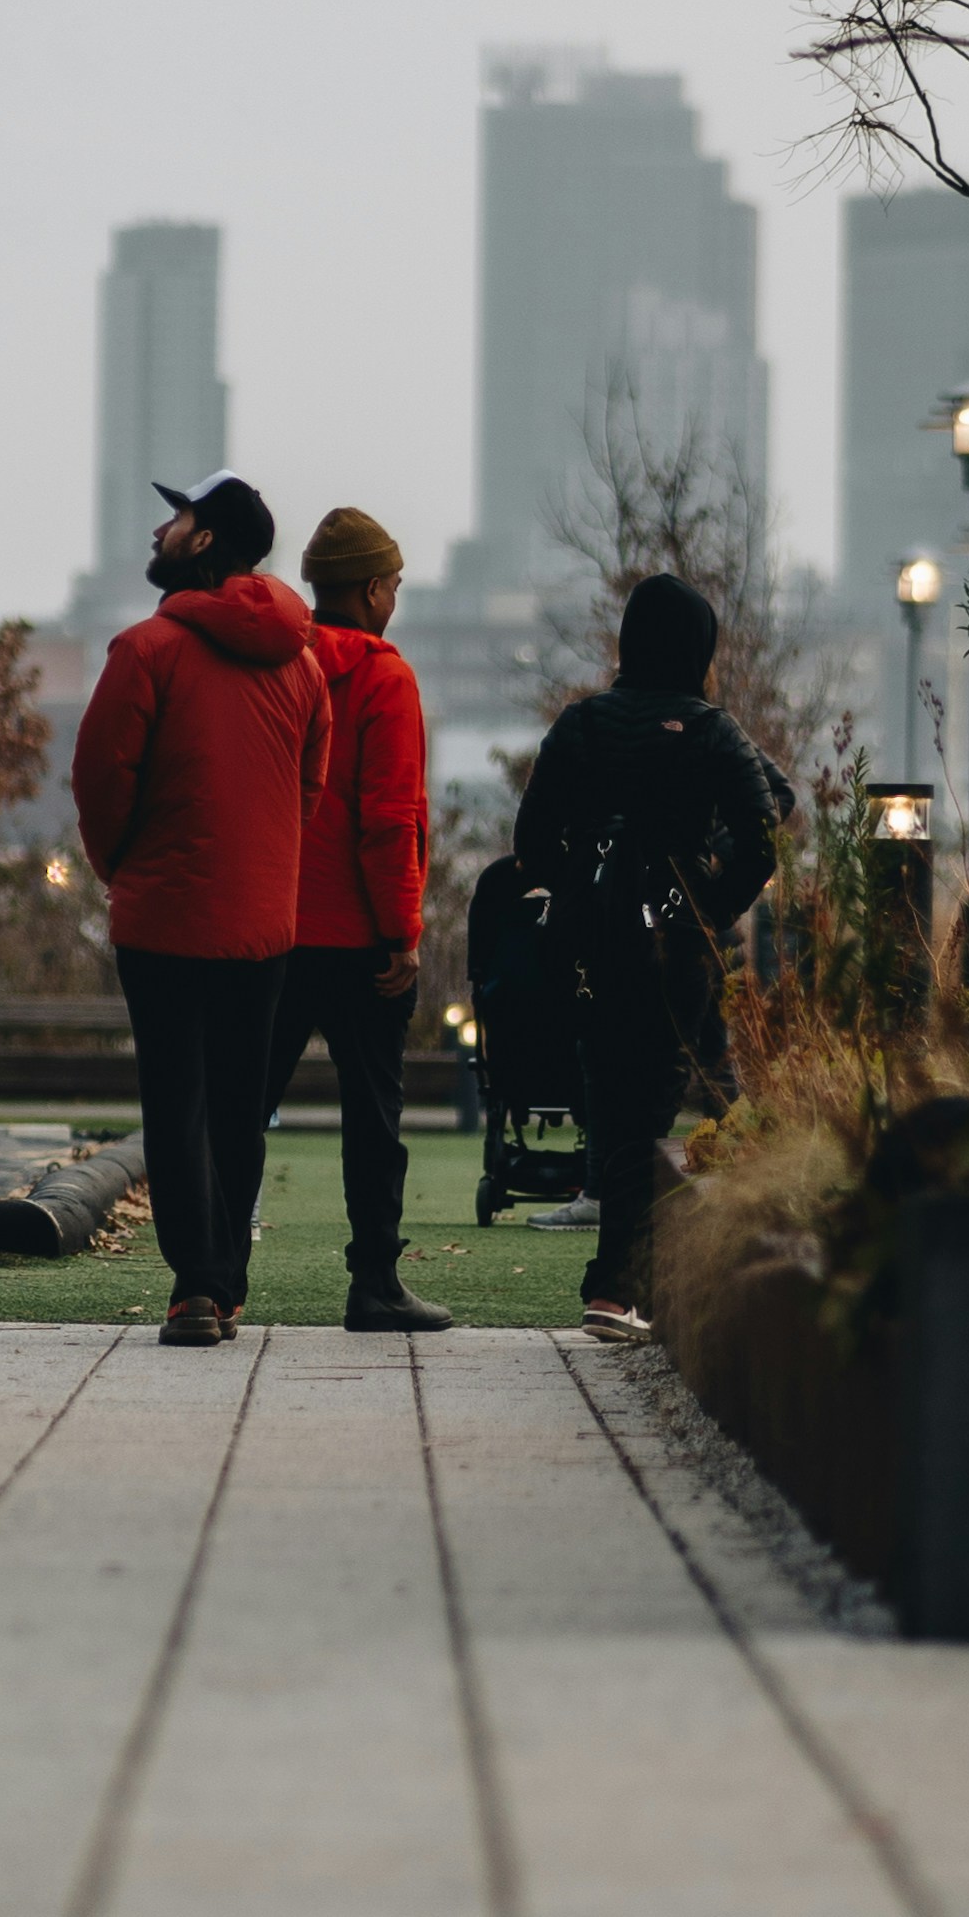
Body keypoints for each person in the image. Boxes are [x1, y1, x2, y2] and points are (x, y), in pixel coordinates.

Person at [71, 471, 331, 1349]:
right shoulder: (303, 665)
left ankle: (195, 1289)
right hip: (262, 922)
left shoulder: (145, 650)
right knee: (237, 1105)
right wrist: (266, 866)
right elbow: (308, 790)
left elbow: (99, 778)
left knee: (175, 1102)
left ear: (207, 539)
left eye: (176, 518)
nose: (160, 531)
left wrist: (120, 867)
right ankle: (223, 1280)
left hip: (165, 918)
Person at [513, 575, 789, 1339]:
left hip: (590, 940)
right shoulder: (710, 730)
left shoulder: (581, 724)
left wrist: (580, 886)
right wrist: (707, 907)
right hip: (674, 941)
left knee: (612, 1098)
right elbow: (763, 833)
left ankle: (615, 1285)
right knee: (654, 1102)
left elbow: (531, 839)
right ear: (698, 647)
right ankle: (617, 1290)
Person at [263, 505, 450, 1334]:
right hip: (360, 939)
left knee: (241, 1108)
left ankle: (211, 1281)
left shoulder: (276, 664)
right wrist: (402, 932)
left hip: (271, 926)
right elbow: (388, 819)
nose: (395, 598)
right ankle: (374, 1283)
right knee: (372, 1118)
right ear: (372, 589)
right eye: (395, 584)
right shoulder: (384, 677)